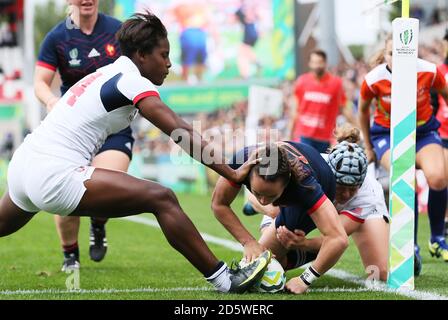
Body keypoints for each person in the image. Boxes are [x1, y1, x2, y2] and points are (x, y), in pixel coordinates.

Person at [0, 12, 271, 293]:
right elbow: (180, 131)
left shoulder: (106, 72)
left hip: (23, 165)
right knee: (162, 198)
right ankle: (225, 280)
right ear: (141, 55)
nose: (169, 63)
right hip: (53, 172)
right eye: (163, 55)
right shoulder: (130, 80)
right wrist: (232, 172)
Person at [34, 0, 131, 271]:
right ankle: (70, 255)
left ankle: (98, 224)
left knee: (107, 190)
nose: (86, 0)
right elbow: (40, 82)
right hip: (72, 131)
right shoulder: (56, 37)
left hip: (112, 127)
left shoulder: (118, 31)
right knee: (65, 192)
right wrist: (51, 101)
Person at [359, 35, 448, 276]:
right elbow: (363, 112)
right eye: (391, 53)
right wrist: (368, 146)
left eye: (401, 52)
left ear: (412, 52)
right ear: (385, 54)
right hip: (387, 135)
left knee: (439, 178)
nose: (396, 58)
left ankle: (437, 238)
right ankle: (412, 247)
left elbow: (445, 94)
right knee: (404, 179)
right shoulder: (373, 79)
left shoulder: (429, 71)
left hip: (423, 133)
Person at [254, 125, 389, 282]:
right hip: (319, 197)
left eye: (352, 189)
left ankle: (409, 254)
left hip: (362, 211)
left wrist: (303, 243)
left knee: (380, 272)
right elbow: (252, 191)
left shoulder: (368, 194)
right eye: (340, 187)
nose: (345, 194)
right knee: (274, 258)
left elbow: (336, 238)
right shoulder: (312, 170)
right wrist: (268, 209)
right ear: (329, 176)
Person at [211, 141, 349, 294]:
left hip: (322, 179)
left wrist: (305, 279)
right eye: (257, 193)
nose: (263, 201)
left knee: (270, 261)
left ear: (287, 183)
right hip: (285, 187)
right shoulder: (242, 160)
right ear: (249, 173)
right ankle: (269, 214)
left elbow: (339, 239)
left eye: (271, 195)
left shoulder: (305, 186)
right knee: (263, 255)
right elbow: (219, 204)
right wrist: (248, 242)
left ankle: (311, 249)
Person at [289, 49, 357, 153]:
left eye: (320, 62)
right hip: (304, 135)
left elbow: (344, 108)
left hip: (326, 137)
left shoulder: (336, 83)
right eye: (314, 62)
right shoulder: (302, 81)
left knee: (323, 167)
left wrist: (357, 127)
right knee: (306, 167)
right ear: (310, 64)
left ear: (325, 63)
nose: (317, 66)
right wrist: (290, 134)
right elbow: (295, 110)